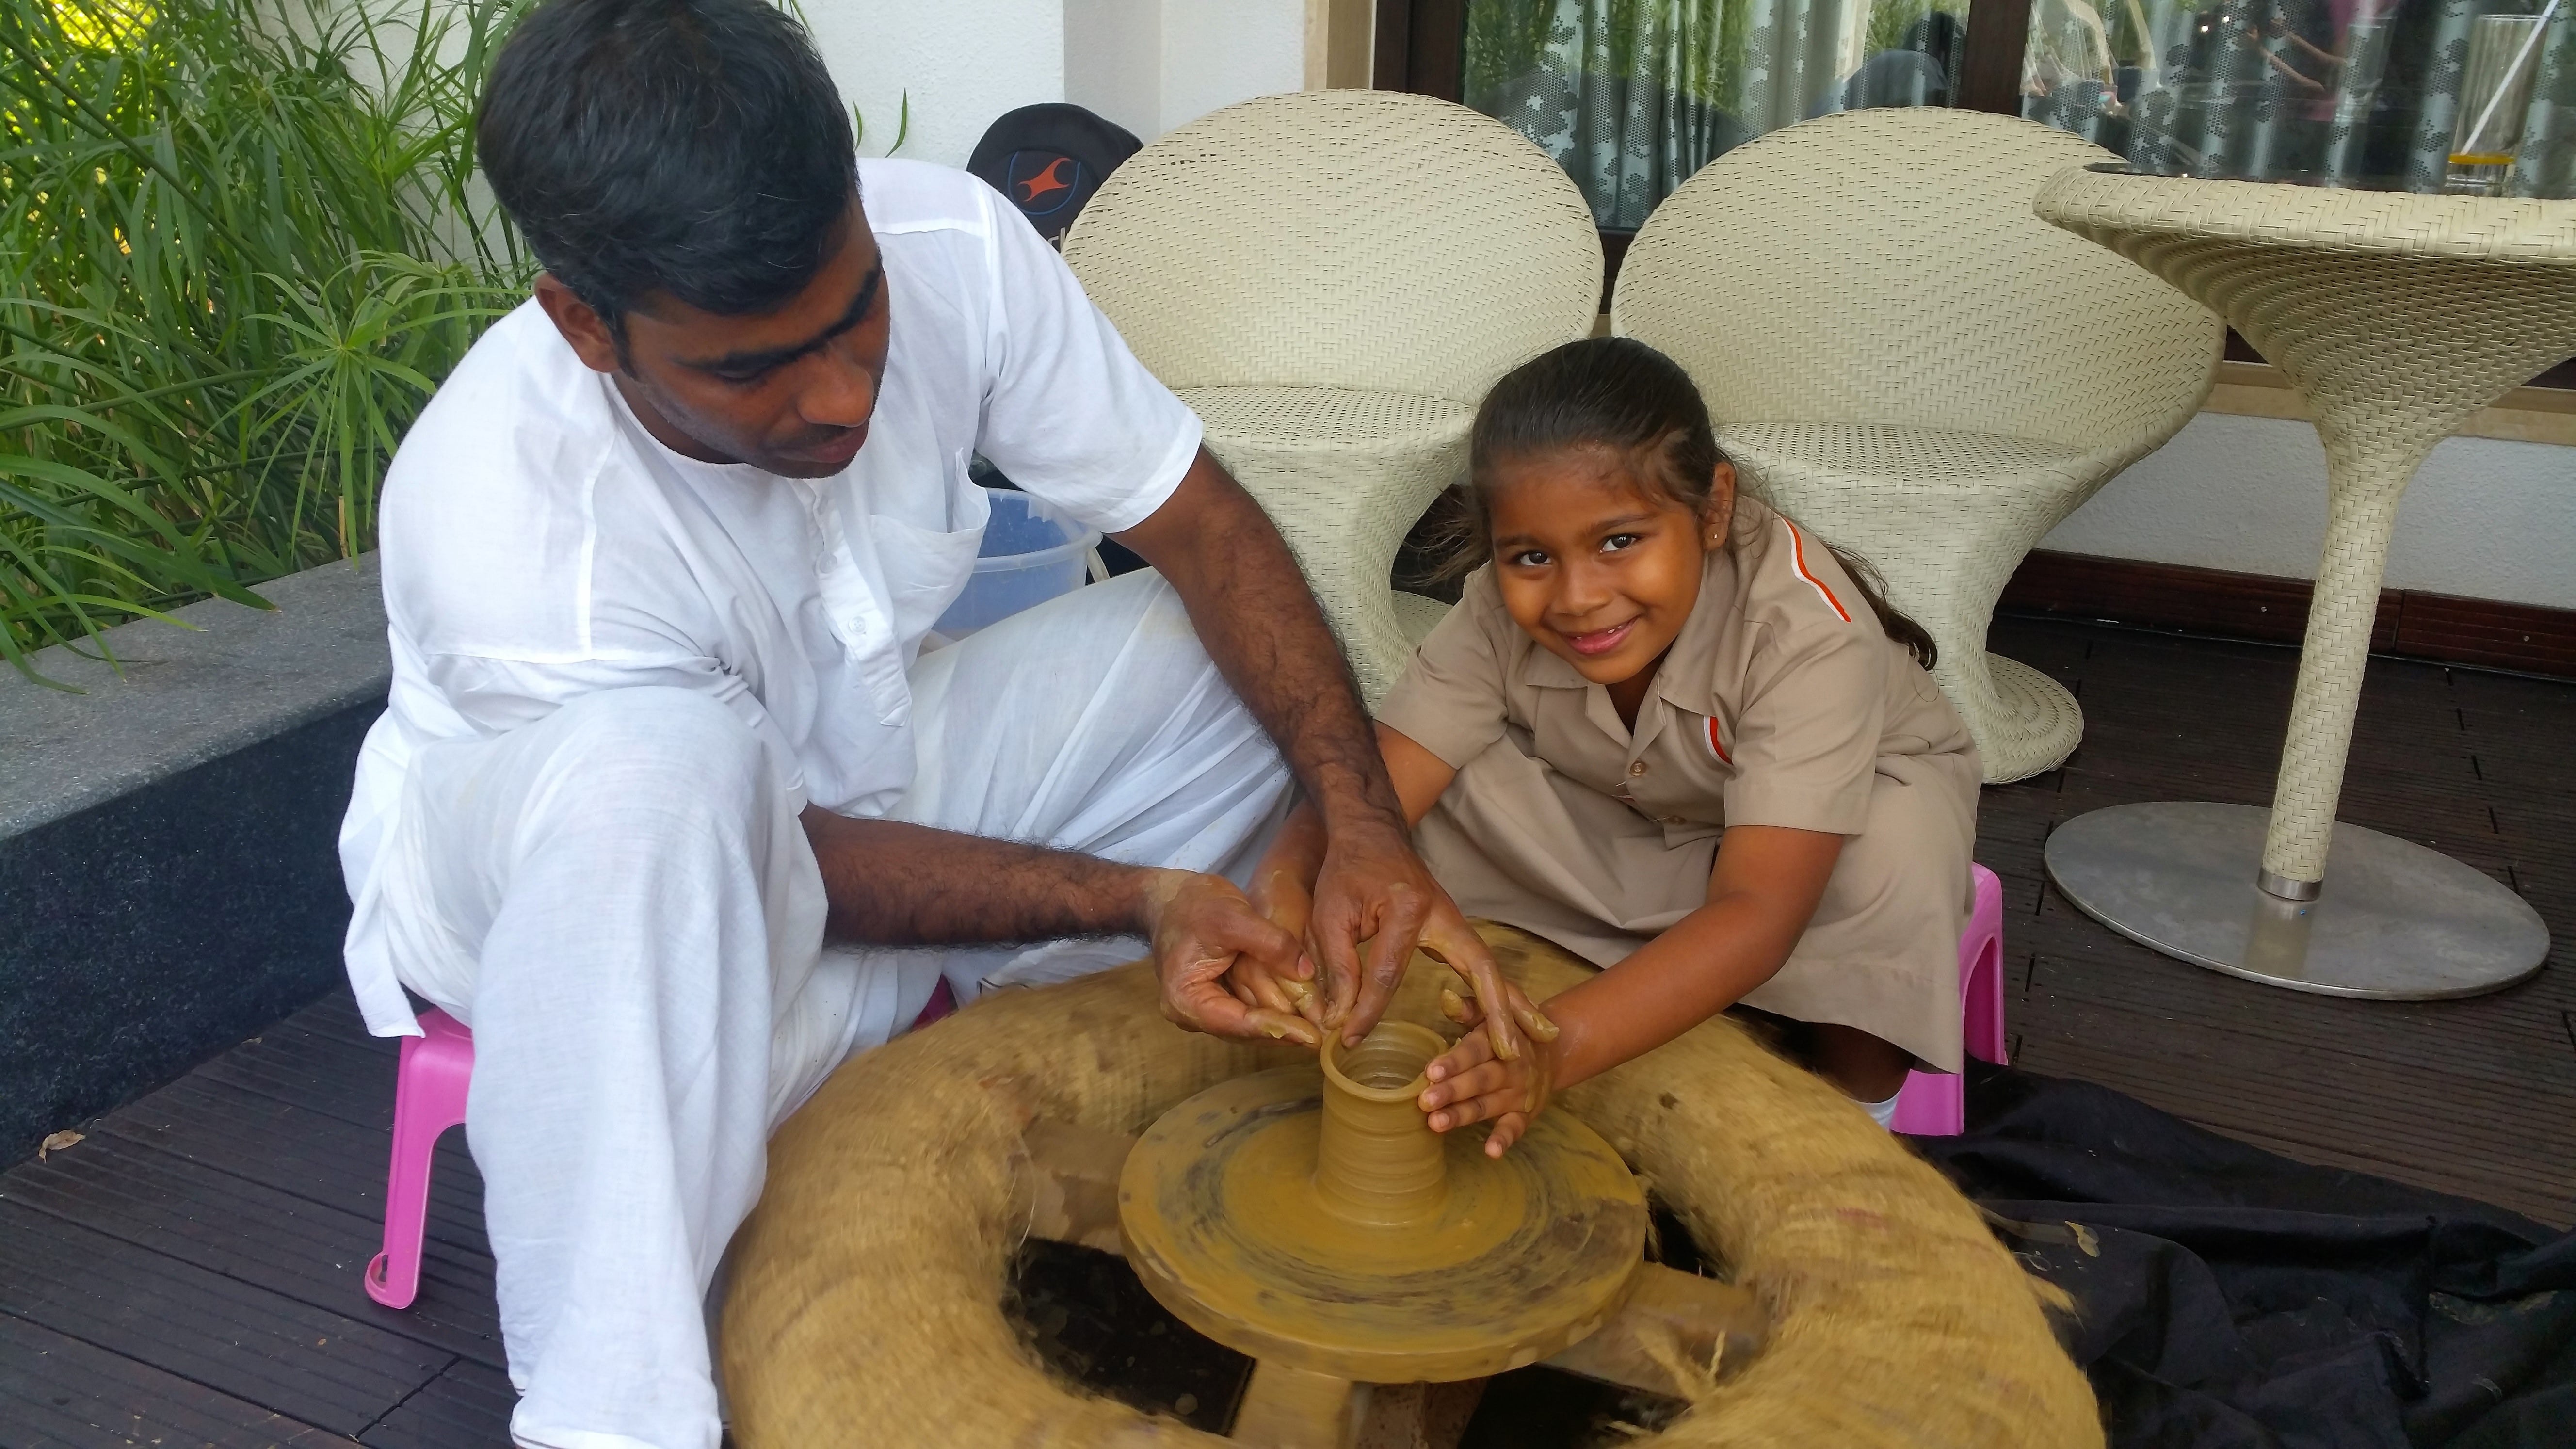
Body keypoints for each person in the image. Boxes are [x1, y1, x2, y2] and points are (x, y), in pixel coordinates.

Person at [335, 1, 1527, 1443]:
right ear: (585, 324)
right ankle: (611, 1414)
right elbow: (789, 863)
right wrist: (1138, 895)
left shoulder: (951, 243)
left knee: (1199, 650)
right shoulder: (505, 528)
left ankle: (979, 1032)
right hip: (588, 902)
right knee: (658, 782)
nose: (839, 393)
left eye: (854, 317)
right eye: (748, 369)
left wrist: (1363, 829)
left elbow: (1205, 530)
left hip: (867, 777)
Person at [1240, 337, 1980, 1155]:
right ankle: (1616, 991)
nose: (1580, 598)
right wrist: (1280, 885)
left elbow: (1761, 912)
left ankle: (1858, 1133)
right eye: (1531, 557)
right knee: (1402, 806)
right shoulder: (1497, 609)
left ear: (1713, 510)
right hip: (1625, 812)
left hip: (1796, 853)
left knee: (1888, 856)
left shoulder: (1808, 632)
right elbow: (1374, 800)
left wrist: (1553, 1053)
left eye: (1620, 542)